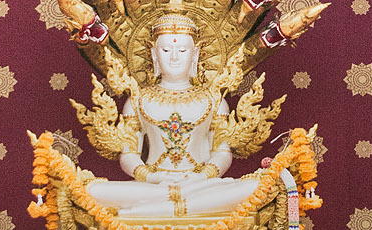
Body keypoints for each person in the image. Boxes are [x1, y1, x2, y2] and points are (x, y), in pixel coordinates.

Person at [84, 13, 261, 219]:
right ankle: (181, 203)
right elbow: (129, 155)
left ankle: (160, 207)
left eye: (182, 50)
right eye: (166, 50)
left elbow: (222, 153)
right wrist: (152, 177)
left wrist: (201, 177)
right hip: (154, 185)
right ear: (154, 55)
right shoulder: (138, 100)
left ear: (195, 55)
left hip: (201, 185)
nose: (174, 57)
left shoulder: (213, 100)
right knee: (93, 191)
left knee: (256, 186)